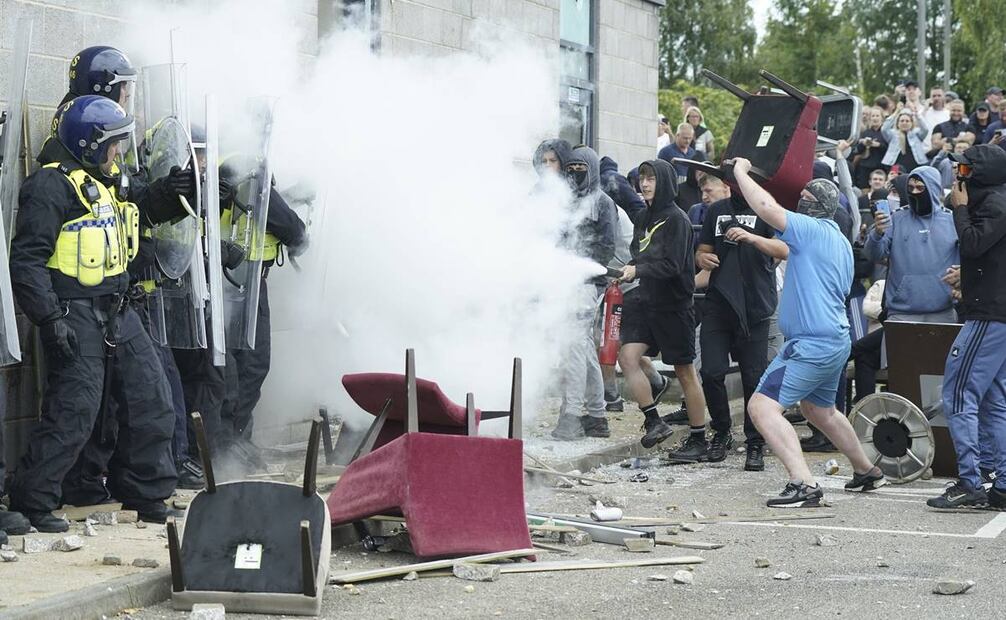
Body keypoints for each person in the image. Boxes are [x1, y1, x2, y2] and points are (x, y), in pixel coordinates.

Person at [8, 96, 183, 531]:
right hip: (74, 312)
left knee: (152, 400)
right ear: (88, 143)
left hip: (120, 309)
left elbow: (141, 207)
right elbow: (27, 261)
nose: (119, 153)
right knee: (75, 409)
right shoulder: (51, 186)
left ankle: (146, 492)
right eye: (114, 144)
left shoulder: (110, 177)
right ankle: (34, 498)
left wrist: (172, 192)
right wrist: (49, 320)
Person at [731, 158, 887, 507]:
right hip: (834, 339)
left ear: (815, 206)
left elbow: (766, 207)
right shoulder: (837, 240)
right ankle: (867, 471)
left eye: (805, 196)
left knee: (762, 408)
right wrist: (757, 240)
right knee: (821, 412)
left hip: (811, 343)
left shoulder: (811, 230)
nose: (799, 199)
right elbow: (786, 248)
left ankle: (803, 483)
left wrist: (741, 172)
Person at [927, 144, 1006, 510]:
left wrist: (961, 209)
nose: (959, 177)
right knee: (993, 400)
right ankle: (1001, 483)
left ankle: (971, 481)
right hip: (995, 312)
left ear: (982, 174)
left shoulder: (995, 203)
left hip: (989, 316)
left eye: (965, 171)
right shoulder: (994, 199)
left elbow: (973, 243)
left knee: (958, 394)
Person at [689, 189, 786, 469]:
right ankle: (722, 432)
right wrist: (703, 259)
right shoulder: (717, 210)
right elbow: (703, 250)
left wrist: (752, 239)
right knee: (711, 371)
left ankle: (755, 442)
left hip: (755, 305)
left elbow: (783, 250)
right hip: (719, 303)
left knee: (752, 378)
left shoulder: (767, 207)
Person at [219, 161, 309, 461]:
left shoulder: (233, 159)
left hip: (238, 278)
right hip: (241, 281)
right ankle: (231, 443)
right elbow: (277, 216)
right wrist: (299, 235)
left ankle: (237, 440)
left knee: (241, 366)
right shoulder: (244, 162)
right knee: (249, 365)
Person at [616, 159, 707, 449]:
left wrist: (638, 270)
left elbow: (671, 265)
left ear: (665, 182)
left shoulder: (678, 220)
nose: (644, 184)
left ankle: (698, 438)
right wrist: (626, 270)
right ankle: (655, 421)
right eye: (641, 178)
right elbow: (640, 256)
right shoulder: (643, 217)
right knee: (628, 358)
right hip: (647, 301)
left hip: (674, 306)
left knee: (685, 372)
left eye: (651, 178)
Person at [549, 146, 617, 440]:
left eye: (581, 168)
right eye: (571, 168)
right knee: (582, 347)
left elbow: (606, 248)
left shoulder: (602, 203)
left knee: (574, 346)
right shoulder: (564, 202)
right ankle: (598, 416)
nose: (575, 173)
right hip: (565, 283)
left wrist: (582, 268)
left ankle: (572, 415)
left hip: (588, 284)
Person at [598, 156, 671, 412]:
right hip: (613, 285)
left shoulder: (605, 207)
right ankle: (657, 381)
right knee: (618, 344)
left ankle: (612, 399)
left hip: (625, 286)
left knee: (610, 341)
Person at [864, 165, 959, 324]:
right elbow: (873, 255)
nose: (914, 192)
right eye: (910, 188)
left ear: (933, 189)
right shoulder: (896, 218)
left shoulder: (953, 220)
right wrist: (877, 234)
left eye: (920, 188)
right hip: (902, 311)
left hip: (943, 311)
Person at [658, 123, 704, 209]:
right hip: (672, 192)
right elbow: (661, 174)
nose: (687, 141)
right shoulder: (665, 152)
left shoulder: (693, 153)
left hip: (689, 194)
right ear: (677, 136)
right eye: (685, 138)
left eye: (690, 138)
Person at [881, 108, 929, 173]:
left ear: (911, 123)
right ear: (898, 123)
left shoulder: (916, 134)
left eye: (907, 121)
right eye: (902, 121)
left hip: (915, 166)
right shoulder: (892, 134)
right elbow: (884, 129)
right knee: (895, 180)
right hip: (895, 166)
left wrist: (917, 115)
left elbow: (925, 129)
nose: (904, 123)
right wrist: (896, 113)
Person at [850, 107, 888, 188]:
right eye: (873, 116)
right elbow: (857, 151)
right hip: (865, 167)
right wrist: (863, 143)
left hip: (881, 166)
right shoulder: (866, 132)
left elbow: (890, 150)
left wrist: (878, 145)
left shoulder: (886, 132)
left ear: (882, 118)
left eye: (877, 116)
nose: (875, 118)